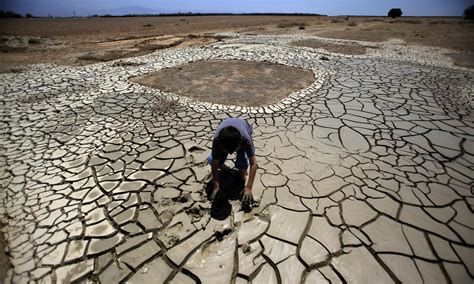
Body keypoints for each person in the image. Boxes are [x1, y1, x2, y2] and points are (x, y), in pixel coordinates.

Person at [208, 118, 257, 204]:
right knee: (211, 159)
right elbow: (214, 162)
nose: (231, 154)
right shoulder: (217, 140)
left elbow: (253, 163)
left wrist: (249, 187)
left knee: (242, 174)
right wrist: (216, 185)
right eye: (227, 152)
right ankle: (225, 169)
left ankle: (241, 172)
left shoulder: (245, 140)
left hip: (243, 128)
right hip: (227, 139)